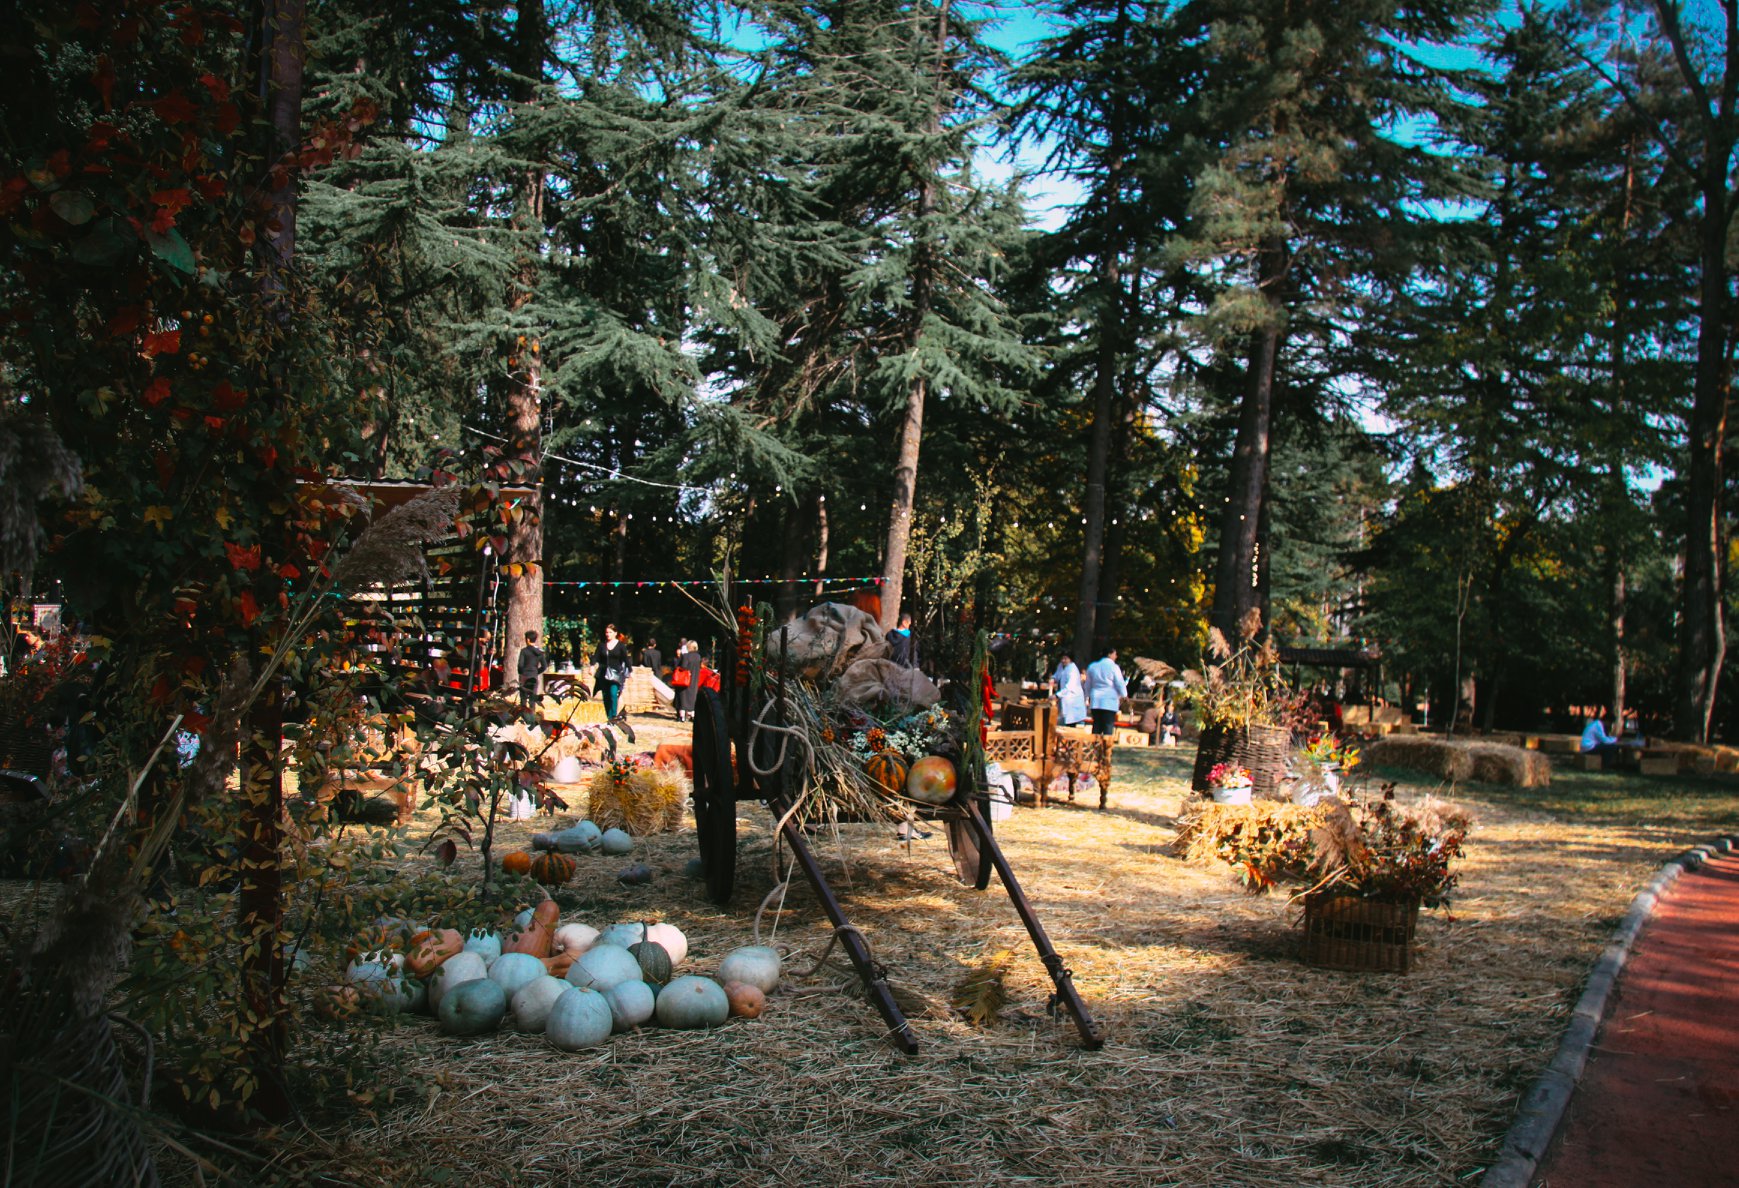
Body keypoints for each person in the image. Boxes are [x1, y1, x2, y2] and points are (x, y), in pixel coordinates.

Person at [1084, 647, 1128, 737]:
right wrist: (1124, 694)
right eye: (1114, 654)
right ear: (1109, 654)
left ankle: (1095, 744)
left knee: (1096, 724)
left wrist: (1086, 696)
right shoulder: (1114, 667)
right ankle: (1106, 745)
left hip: (1096, 698)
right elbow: (1119, 683)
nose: (1116, 656)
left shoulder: (1093, 666)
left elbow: (1088, 684)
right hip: (1109, 699)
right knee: (1108, 725)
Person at [593, 623, 630, 721]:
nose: (608, 634)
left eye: (610, 632)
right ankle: (608, 717)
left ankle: (613, 715)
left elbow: (626, 659)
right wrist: (592, 666)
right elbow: (596, 657)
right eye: (606, 632)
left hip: (615, 674)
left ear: (615, 633)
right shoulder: (601, 645)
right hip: (603, 673)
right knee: (606, 696)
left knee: (613, 694)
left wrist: (630, 670)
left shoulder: (620, 646)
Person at [1050, 653, 1087, 727]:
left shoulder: (1072, 670)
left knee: (1072, 722)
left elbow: (1070, 686)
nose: (1063, 660)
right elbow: (1057, 675)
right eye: (1062, 658)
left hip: (1073, 699)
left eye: (1066, 658)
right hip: (1064, 698)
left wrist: (1057, 695)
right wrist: (1053, 678)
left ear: (1070, 659)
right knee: (1065, 720)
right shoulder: (1061, 666)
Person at [516, 629, 547, 708]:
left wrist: (521, 673)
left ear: (528, 639)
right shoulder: (539, 652)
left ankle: (523, 713)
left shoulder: (524, 651)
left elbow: (520, 665)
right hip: (533, 677)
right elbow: (544, 666)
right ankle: (532, 714)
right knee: (532, 699)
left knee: (523, 699)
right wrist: (536, 672)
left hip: (524, 677)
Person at [675, 638, 702, 722]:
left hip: (685, 680)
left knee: (683, 697)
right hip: (694, 679)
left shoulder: (686, 656)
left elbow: (683, 666)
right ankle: (691, 714)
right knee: (692, 697)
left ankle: (682, 716)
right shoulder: (698, 657)